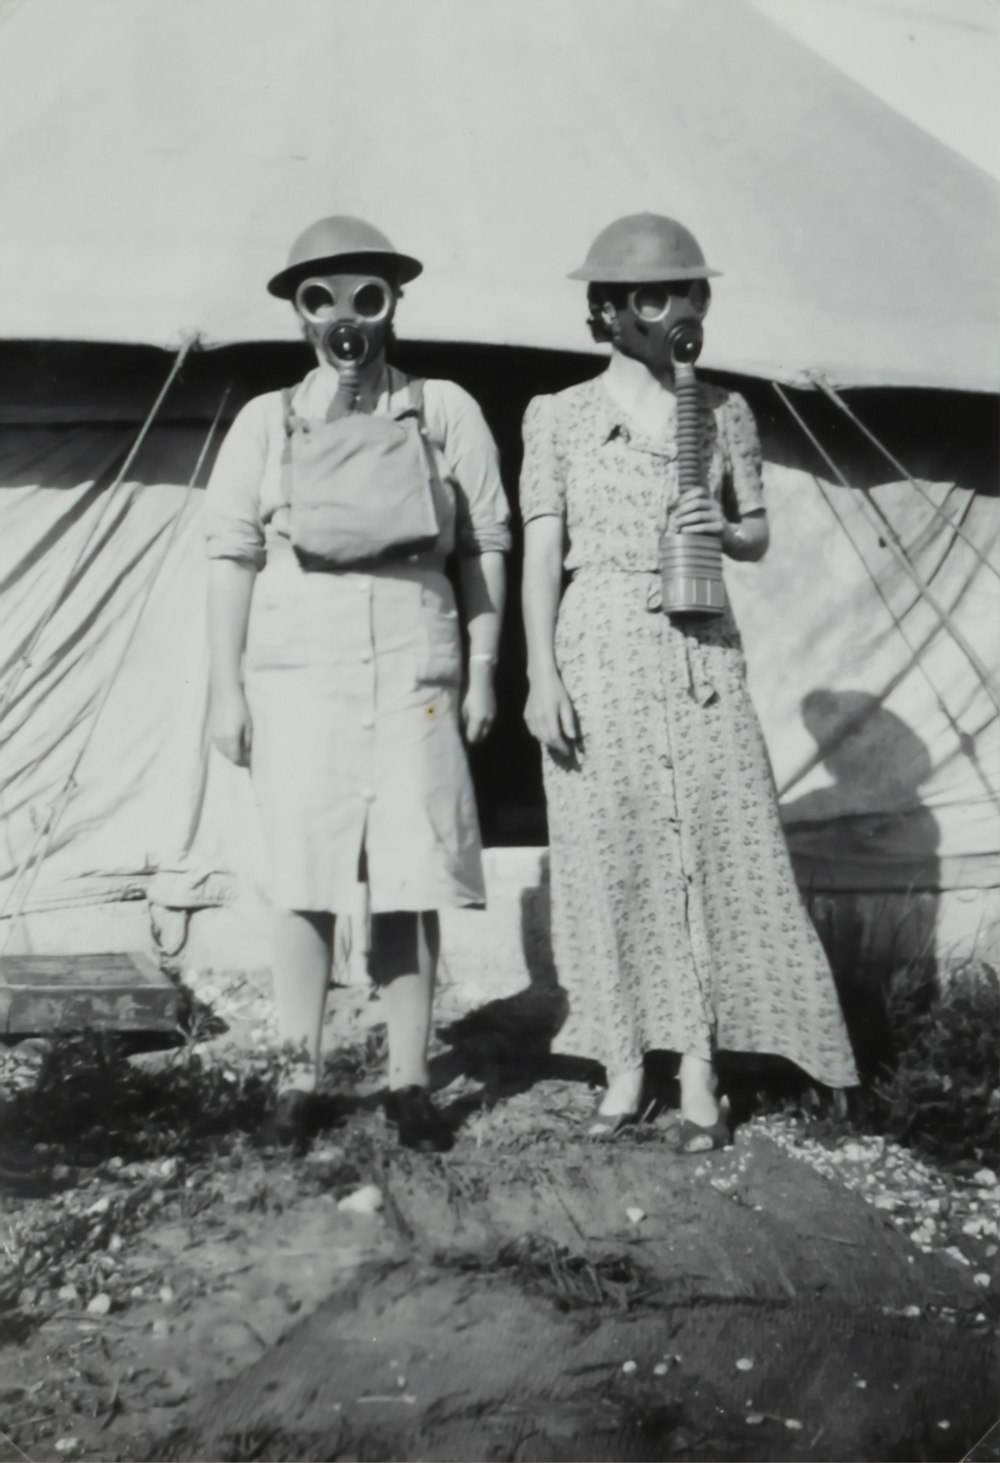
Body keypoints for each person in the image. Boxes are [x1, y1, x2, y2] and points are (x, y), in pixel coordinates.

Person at [520, 213, 858, 1149]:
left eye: (694, 291)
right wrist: (540, 673)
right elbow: (543, 552)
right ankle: (625, 1061)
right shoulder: (558, 416)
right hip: (601, 644)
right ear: (610, 310)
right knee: (612, 846)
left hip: (701, 648)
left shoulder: (724, 413)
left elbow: (755, 534)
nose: (684, 310)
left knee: (714, 839)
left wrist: (719, 522)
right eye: (661, 294)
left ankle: (701, 1063)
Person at [205, 216, 510, 1152]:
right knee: (305, 875)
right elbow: (231, 550)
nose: (347, 320)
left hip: (414, 670)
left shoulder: (443, 408)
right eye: (324, 299)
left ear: (392, 305)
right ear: (301, 314)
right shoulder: (267, 421)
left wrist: (484, 664)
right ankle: (298, 1078)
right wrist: (228, 687)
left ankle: (409, 1080)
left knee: (411, 877)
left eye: (366, 297)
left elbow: (487, 542)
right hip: (303, 674)